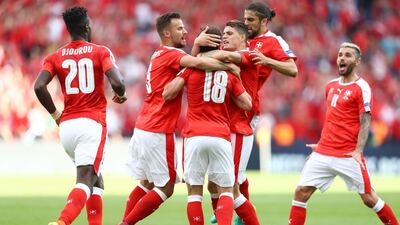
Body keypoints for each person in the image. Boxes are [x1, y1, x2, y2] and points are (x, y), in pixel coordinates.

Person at [119, 13, 238, 225]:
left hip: (143, 126)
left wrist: (197, 48)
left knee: (146, 183)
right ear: (166, 33)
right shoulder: (172, 54)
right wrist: (228, 66)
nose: (185, 32)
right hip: (158, 128)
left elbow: (191, 63)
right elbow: (198, 63)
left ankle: (124, 221)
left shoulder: (160, 54)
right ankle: (125, 223)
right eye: (179, 28)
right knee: (166, 187)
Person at [288, 42, 399, 225]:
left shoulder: (361, 87)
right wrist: (321, 144)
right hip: (324, 151)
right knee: (301, 192)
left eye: (348, 55)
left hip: (348, 154)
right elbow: (333, 119)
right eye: (340, 54)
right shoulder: (330, 86)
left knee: (369, 198)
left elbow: (365, 121)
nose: (342, 58)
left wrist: (358, 150)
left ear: (357, 61)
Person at [34, 6, 127, 225]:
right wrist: (120, 94)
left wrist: (56, 115)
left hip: (67, 127)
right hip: (91, 125)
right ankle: (62, 222)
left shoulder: (55, 56)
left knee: (96, 178)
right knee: (85, 178)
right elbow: (118, 83)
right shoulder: (100, 51)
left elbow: (39, 87)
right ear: (87, 27)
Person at [163, 26, 252, 225]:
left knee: (194, 192)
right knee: (227, 190)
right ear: (218, 45)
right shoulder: (228, 74)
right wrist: (234, 82)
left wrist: (185, 72)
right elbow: (247, 103)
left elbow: (168, 93)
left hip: (194, 135)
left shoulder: (190, 69)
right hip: (220, 136)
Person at [196, 20, 261, 225]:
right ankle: (222, 220)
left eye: (230, 33)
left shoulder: (249, 55)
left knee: (230, 187)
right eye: (223, 33)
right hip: (223, 129)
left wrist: (198, 50)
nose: (224, 36)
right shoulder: (224, 56)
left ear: (243, 38)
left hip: (239, 128)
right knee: (214, 185)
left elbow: (218, 56)